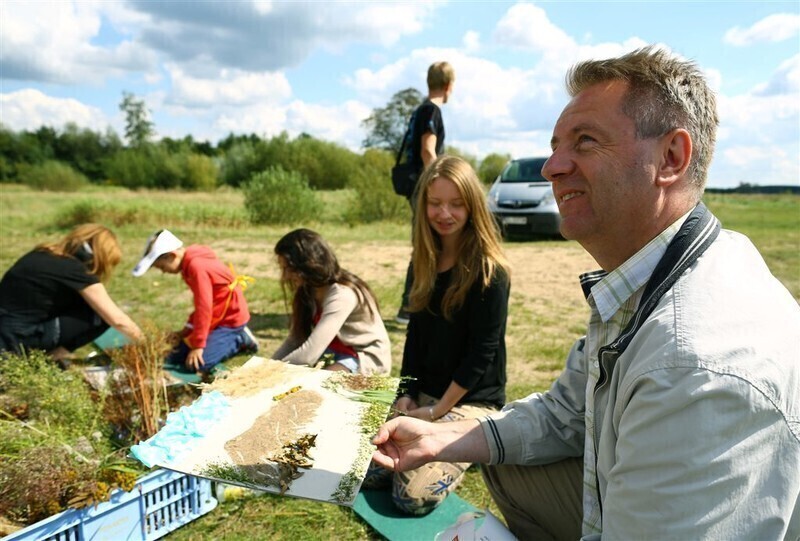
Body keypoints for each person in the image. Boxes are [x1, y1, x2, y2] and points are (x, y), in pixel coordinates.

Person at [372, 46, 800, 540]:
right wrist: (441, 436)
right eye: (555, 146)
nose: (552, 167)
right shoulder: (647, 280)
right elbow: (564, 412)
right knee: (505, 459)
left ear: (671, 158)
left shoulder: (690, 366)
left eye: (586, 141)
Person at [365, 155, 510, 515]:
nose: (445, 213)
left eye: (456, 204)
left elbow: (482, 353)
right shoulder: (422, 262)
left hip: (469, 401)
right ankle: (454, 443)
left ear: (473, 206)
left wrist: (437, 411)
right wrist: (407, 395)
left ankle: (474, 444)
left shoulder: (491, 272)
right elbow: (414, 336)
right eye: (435, 203)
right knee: (367, 472)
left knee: (410, 497)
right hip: (427, 398)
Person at [0, 223, 143, 362]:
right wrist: (147, 344)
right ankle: (53, 356)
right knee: (98, 316)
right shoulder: (74, 269)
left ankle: (49, 355)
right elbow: (117, 319)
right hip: (17, 338)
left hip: (5, 330)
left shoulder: (41, 253)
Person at [133, 229, 258, 374]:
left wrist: (198, 345)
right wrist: (185, 332)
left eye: (162, 267)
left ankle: (240, 339)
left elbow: (204, 308)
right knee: (174, 355)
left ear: (172, 256)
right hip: (216, 316)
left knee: (199, 364)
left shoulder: (196, 267)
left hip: (229, 321)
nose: (163, 272)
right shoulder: (189, 263)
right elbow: (204, 306)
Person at [271, 229, 391, 375]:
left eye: (289, 269)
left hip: (363, 357)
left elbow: (308, 354)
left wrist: (272, 374)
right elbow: (295, 340)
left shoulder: (342, 294)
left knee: (318, 384)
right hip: (332, 352)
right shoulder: (308, 289)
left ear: (308, 264)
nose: (286, 276)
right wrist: (267, 367)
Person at [396, 61, 456, 324]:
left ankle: (412, 307)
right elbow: (427, 149)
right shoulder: (432, 110)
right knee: (429, 244)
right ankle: (410, 308)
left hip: (416, 185)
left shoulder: (419, 109)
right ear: (448, 86)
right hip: (424, 186)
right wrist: (437, 184)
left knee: (427, 243)